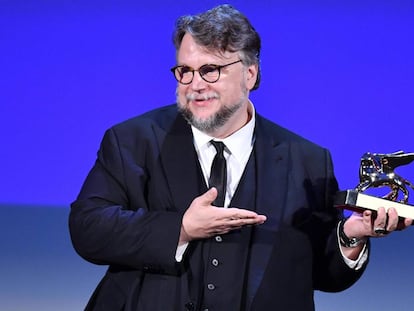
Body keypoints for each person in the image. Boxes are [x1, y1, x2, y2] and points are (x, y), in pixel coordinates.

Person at [69, 4, 412, 311]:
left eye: (210, 70)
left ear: (250, 73)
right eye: (184, 71)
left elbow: (323, 274)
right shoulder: (133, 140)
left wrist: (349, 237)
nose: (194, 84)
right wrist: (181, 229)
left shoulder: (307, 160)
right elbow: (88, 228)